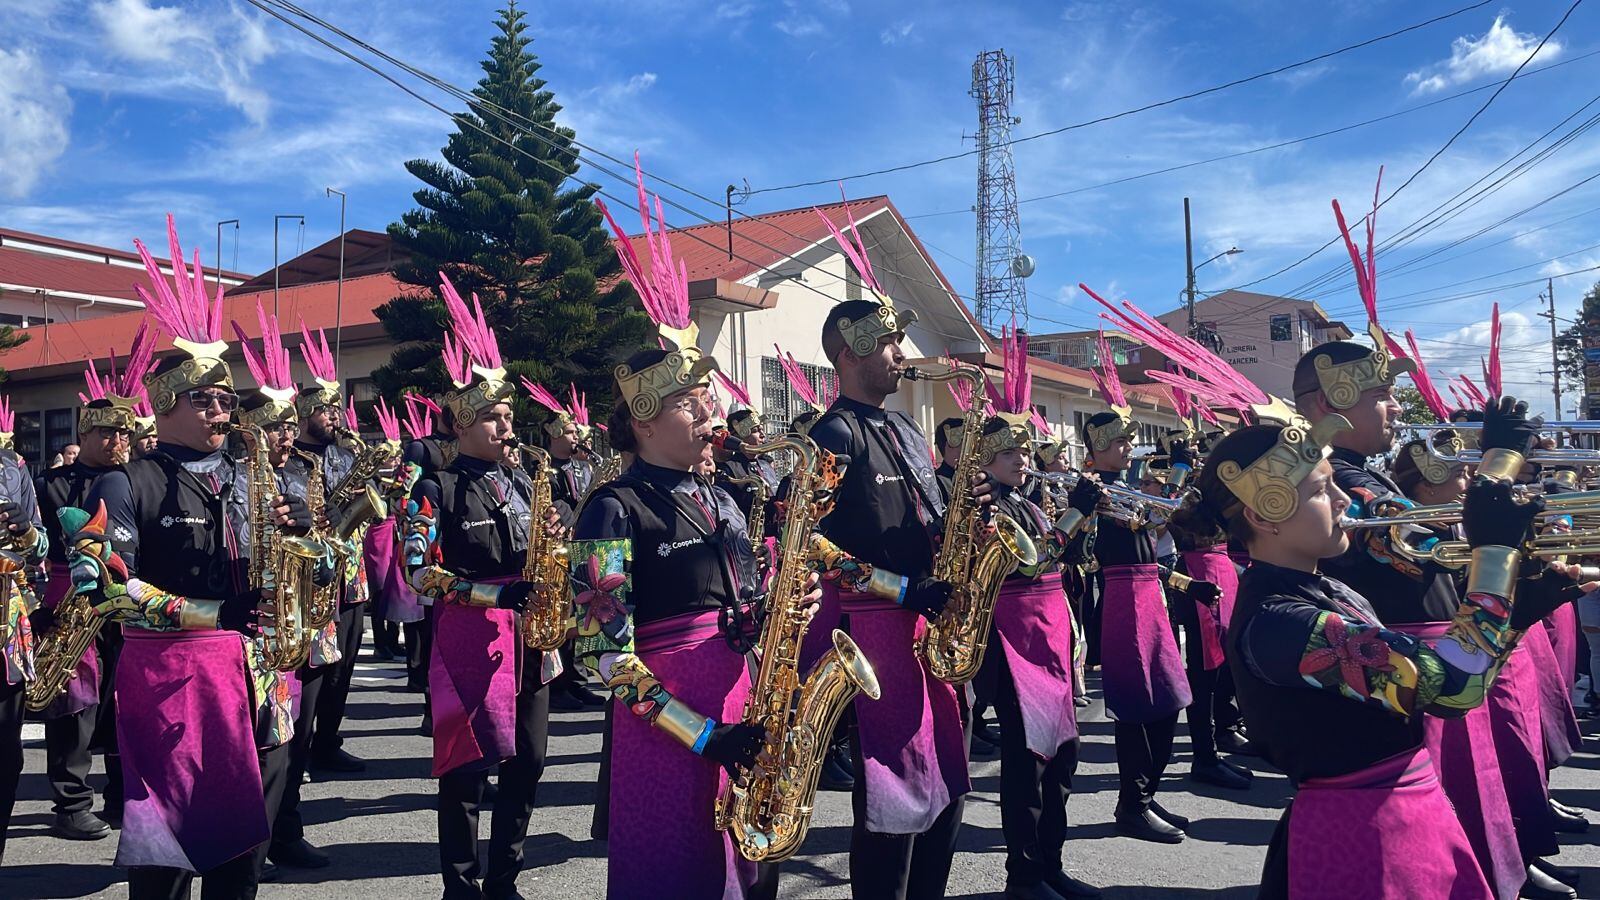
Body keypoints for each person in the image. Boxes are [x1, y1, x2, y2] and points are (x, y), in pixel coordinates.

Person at [1179, 402, 1588, 899]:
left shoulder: (1322, 590)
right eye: (1320, 490)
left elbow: (1458, 681)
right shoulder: (1280, 623)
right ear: (1264, 514)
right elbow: (1450, 689)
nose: (1343, 502)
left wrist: (1518, 614)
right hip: (1364, 835)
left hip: (1403, 811)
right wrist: (1495, 557)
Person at [69, 216, 302, 900]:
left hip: (253, 672)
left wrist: (302, 536)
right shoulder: (127, 480)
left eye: (229, 401)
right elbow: (101, 589)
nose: (224, 412)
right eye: (207, 399)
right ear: (166, 401)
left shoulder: (245, 473)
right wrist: (210, 612)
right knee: (166, 849)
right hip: (169, 675)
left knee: (240, 851)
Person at [804, 294, 975, 900]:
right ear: (850, 354)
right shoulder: (831, 434)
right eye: (887, 345)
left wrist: (965, 514)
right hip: (874, 630)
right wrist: (900, 586)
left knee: (948, 781)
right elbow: (809, 548)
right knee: (894, 791)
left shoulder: (904, 427)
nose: (900, 355)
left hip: (928, 625)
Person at [404, 275, 552, 900]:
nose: (506, 428)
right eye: (493, 417)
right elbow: (418, 573)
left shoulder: (522, 482)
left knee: (530, 761)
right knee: (465, 770)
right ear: (462, 422)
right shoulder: (434, 488)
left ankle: (505, 878)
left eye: (509, 416)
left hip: (532, 633)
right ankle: (459, 886)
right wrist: (491, 597)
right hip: (469, 631)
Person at [965, 336, 1101, 900]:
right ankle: (1023, 877)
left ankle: (1050, 864)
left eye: (1025, 453)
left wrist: (1075, 516)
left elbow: (1061, 555)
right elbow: (1033, 558)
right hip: (1013, 639)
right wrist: (1076, 512)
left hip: (1048, 632)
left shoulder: (1023, 497)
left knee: (1062, 757)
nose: (1025, 461)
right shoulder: (986, 504)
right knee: (1029, 767)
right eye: (1013, 454)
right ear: (987, 459)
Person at [32, 333, 157, 842]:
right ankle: (71, 802)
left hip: (126, 601)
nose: (117, 443)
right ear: (85, 433)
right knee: (75, 703)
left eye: (124, 435)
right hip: (70, 600)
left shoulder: (135, 482)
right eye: (106, 433)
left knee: (125, 700)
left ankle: (120, 792)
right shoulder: (52, 483)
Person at [1076, 363, 1202, 842]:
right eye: (1123, 441)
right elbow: (1084, 552)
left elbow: (1159, 527)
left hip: (1150, 596)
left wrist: (1184, 466)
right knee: (1137, 708)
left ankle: (1145, 795)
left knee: (1169, 701)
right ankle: (1132, 804)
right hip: (1125, 601)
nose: (1130, 448)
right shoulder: (1091, 491)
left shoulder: (1126, 488)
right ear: (1102, 445)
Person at [0, 396, 47, 865]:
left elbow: (40, 541)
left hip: (6, 627)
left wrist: (29, 536)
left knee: (4, 759)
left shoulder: (12, 467)